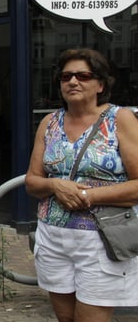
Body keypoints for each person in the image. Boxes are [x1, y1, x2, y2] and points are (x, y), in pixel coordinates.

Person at [25, 48, 138, 322]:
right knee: (65, 319)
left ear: (100, 85)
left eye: (83, 76)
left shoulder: (119, 119)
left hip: (101, 240)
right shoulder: (49, 123)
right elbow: (32, 181)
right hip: (53, 239)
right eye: (66, 77)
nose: (73, 81)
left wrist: (86, 195)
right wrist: (55, 186)